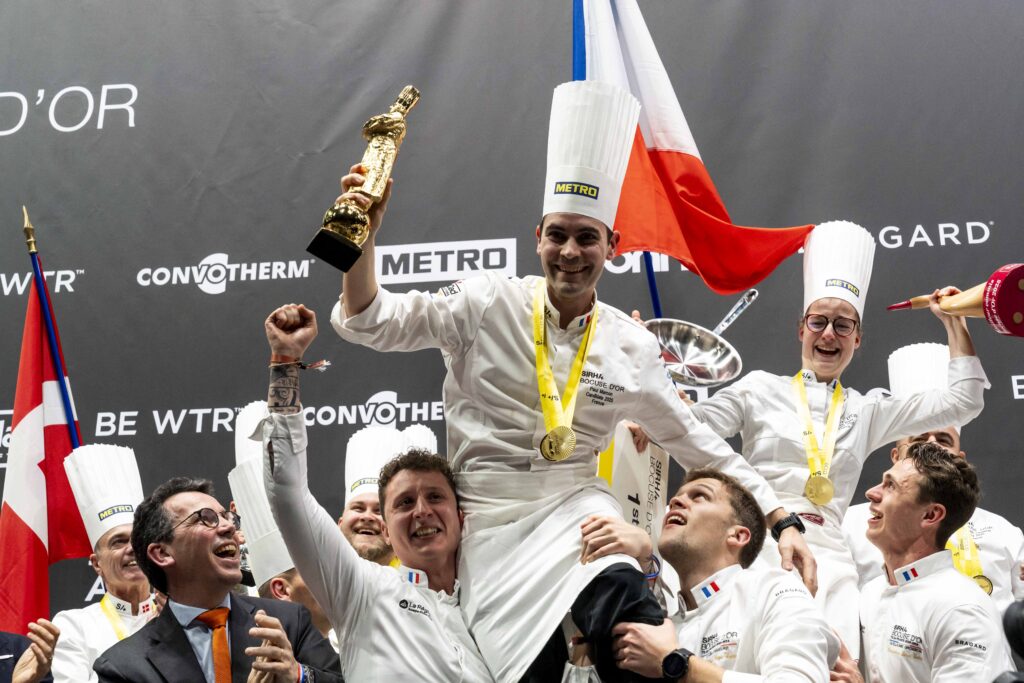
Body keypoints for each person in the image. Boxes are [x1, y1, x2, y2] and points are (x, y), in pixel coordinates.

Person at [686, 221, 987, 656]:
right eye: (819, 321)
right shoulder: (757, 388)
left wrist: (954, 321)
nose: (829, 333)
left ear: (858, 339)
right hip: (758, 545)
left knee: (836, 671)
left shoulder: (869, 410)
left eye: (843, 325)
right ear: (801, 329)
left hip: (830, 561)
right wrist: (660, 378)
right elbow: (691, 428)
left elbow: (964, 401)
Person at [261, 303, 493, 682]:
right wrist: (285, 362)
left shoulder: (493, 603)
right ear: (386, 529)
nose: (422, 511)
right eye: (404, 503)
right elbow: (287, 494)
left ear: (461, 516)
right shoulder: (362, 589)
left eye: (435, 497)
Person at [92, 477, 342, 683]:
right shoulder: (123, 667)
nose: (228, 527)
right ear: (162, 553)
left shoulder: (289, 622)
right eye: (205, 518)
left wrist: (298, 675)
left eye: (226, 517)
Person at [843, 343, 1024, 614]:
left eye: (943, 439)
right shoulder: (851, 526)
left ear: (959, 458)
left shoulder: (1004, 533)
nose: (932, 446)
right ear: (896, 456)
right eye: (918, 439)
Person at [610, 469, 838, 682]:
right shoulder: (664, 628)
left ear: (738, 536)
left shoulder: (775, 590)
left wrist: (676, 663)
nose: (674, 502)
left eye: (700, 496)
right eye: (676, 498)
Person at [842, 442, 1013, 683]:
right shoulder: (872, 592)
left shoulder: (962, 610)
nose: (872, 492)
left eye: (891, 486)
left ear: (931, 515)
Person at [51, 445, 159, 683]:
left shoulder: (176, 614)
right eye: (118, 542)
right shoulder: (74, 625)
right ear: (97, 563)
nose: (132, 548)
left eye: (138, 539)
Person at [336, 424, 436, 567]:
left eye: (379, 511)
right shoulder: (316, 575)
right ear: (339, 525)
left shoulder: (424, 578)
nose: (367, 517)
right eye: (358, 508)